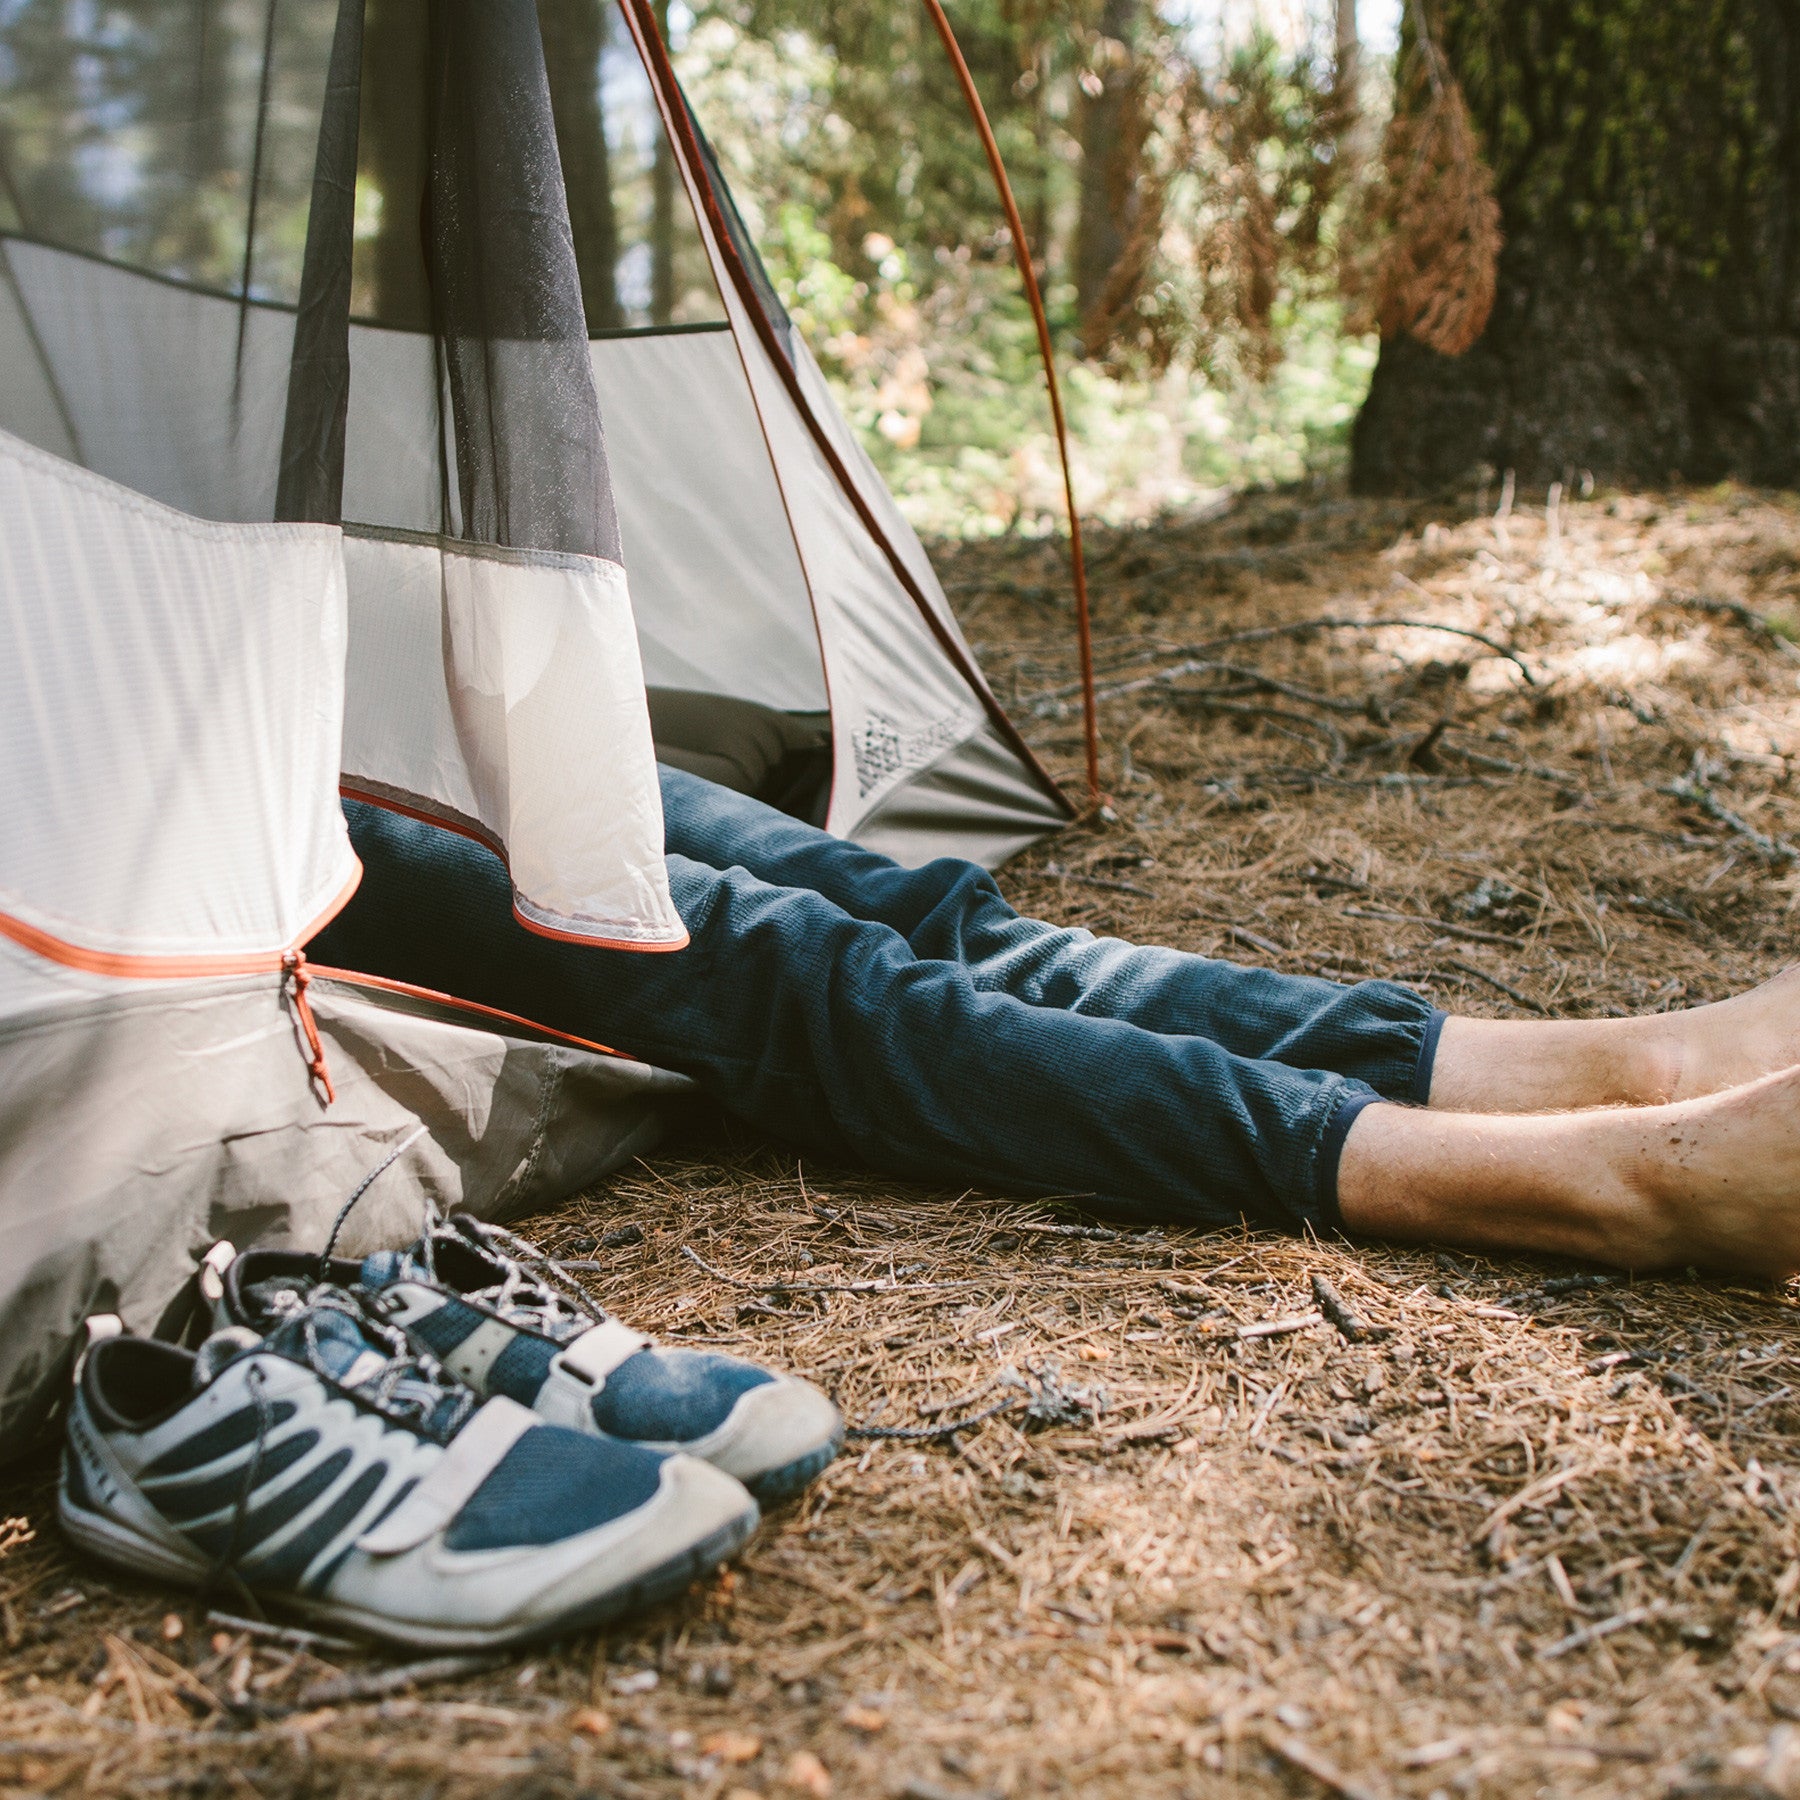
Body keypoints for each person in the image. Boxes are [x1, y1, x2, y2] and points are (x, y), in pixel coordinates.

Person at [310, 765, 1800, 1280]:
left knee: (922, 914)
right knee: (801, 976)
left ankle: (1625, 1067)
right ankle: (1592, 1183)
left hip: (333, 717)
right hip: (242, 834)